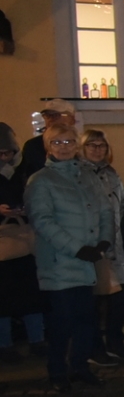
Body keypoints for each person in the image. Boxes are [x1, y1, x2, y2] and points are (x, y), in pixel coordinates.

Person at [25, 121, 114, 391]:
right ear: (48, 146)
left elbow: (105, 210)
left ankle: (80, 367)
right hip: (60, 263)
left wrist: (104, 240)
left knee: (87, 321)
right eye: (57, 143)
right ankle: (58, 371)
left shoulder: (87, 175)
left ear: (77, 145)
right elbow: (43, 222)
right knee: (61, 324)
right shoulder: (41, 180)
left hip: (88, 263)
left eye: (69, 142)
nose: (64, 148)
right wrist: (76, 248)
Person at [79, 129, 124, 361]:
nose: (97, 150)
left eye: (101, 145)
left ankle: (114, 341)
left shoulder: (112, 173)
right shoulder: (79, 174)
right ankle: (93, 347)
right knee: (93, 300)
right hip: (94, 246)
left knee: (120, 298)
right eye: (92, 145)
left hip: (117, 246)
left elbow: (122, 205)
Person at [0, 123, 48, 360]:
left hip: (25, 242)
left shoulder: (24, 172)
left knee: (31, 295)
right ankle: (5, 344)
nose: (6, 158)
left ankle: (36, 339)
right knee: (3, 299)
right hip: (3, 246)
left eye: (8, 153)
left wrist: (24, 209)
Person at [20, 99, 77, 177]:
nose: (51, 119)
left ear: (72, 119)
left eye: (56, 115)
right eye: (47, 115)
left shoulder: (83, 143)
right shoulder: (33, 146)